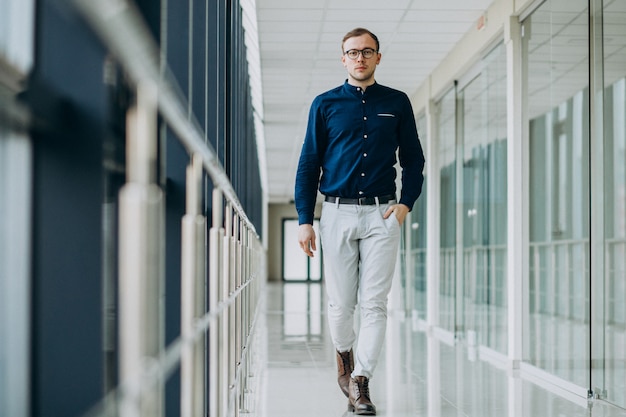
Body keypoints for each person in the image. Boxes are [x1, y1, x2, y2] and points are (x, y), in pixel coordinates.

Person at [294, 27, 425, 415]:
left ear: (378, 57)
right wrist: (305, 218)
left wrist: (405, 205)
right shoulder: (325, 104)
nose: (360, 58)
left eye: (368, 52)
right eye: (353, 52)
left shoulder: (397, 102)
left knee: (375, 303)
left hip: (382, 214)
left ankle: (361, 380)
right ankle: (344, 360)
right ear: (343, 59)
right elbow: (308, 164)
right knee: (340, 304)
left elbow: (414, 159)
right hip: (335, 212)